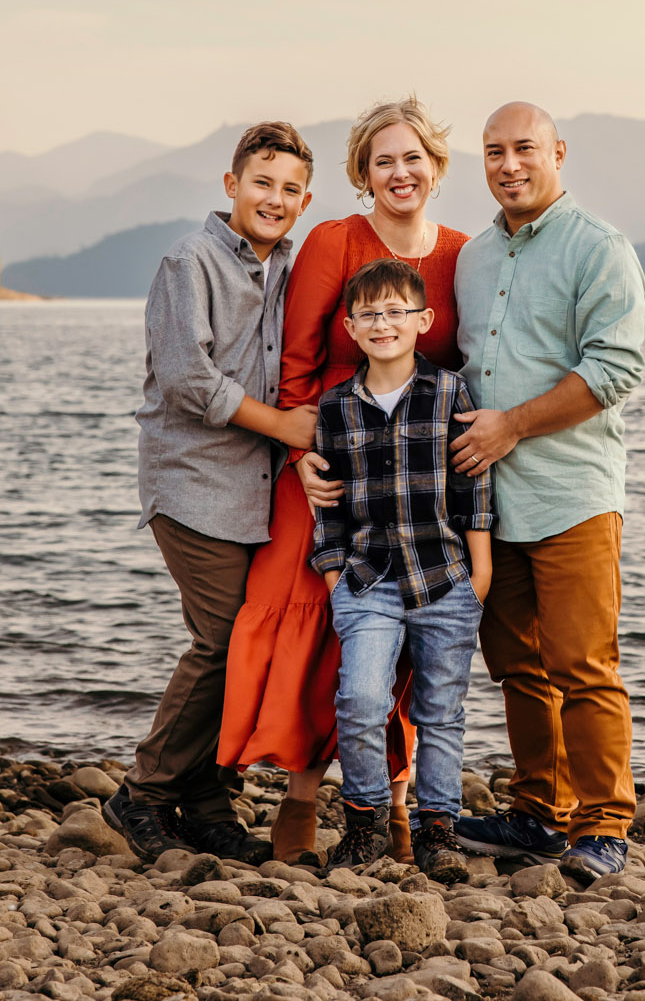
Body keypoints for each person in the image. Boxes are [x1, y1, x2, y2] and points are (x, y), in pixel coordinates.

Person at [218, 97, 470, 866]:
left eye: (413, 158)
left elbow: (465, 368)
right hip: (327, 463)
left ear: (436, 166)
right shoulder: (333, 240)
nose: (400, 172)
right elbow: (294, 365)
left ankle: (395, 803)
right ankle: (301, 798)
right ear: (363, 174)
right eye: (382, 160)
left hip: (419, 475)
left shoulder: (465, 252)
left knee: (415, 632)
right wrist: (303, 461)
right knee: (321, 629)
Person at [102, 121, 319, 864]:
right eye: (262, 183)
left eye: (291, 190)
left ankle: (203, 801)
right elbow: (188, 380)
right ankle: (143, 793)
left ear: (305, 200)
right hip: (191, 482)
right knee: (224, 642)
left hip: (256, 492)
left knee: (251, 643)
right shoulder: (188, 260)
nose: (275, 198)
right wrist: (289, 430)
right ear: (231, 186)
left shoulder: (291, 266)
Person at [448, 100, 645, 885]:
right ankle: (537, 814)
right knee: (516, 665)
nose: (508, 164)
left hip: (571, 495)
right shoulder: (471, 259)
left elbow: (614, 370)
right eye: (493, 152)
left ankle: (604, 828)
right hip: (490, 503)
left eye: (524, 148)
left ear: (558, 152)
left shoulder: (600, 249)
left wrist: (513, 427)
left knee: (584, 664)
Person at [308, 257, 493, 881]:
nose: (383, 323)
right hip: (366, 581)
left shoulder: (449, 393)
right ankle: (364, 826)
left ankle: (439, 832)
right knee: (361, 699)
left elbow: (475, 488)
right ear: (351, 329)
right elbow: (327, 508)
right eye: (369, 315)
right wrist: (335, 578)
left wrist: (480, 572)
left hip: (445, 577)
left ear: (424, 320)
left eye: (396, 312)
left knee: (440, 711)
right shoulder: (335, 409)